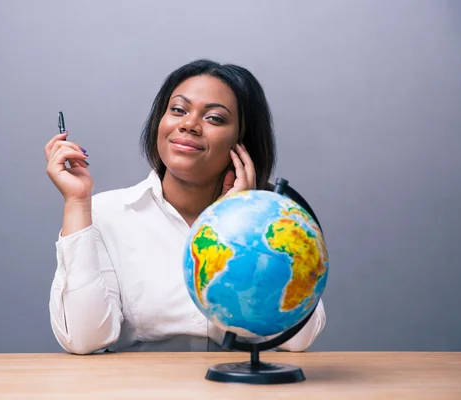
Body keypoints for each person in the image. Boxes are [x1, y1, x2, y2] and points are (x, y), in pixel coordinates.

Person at [44, 59, 326, 354]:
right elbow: (84, 339)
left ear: (241, 141)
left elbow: (298, 338)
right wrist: (77, 202)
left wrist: (234, 221)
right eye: (178, 110)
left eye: (215, 118)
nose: (189, 124)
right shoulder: (106, 213)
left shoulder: (271, 219)